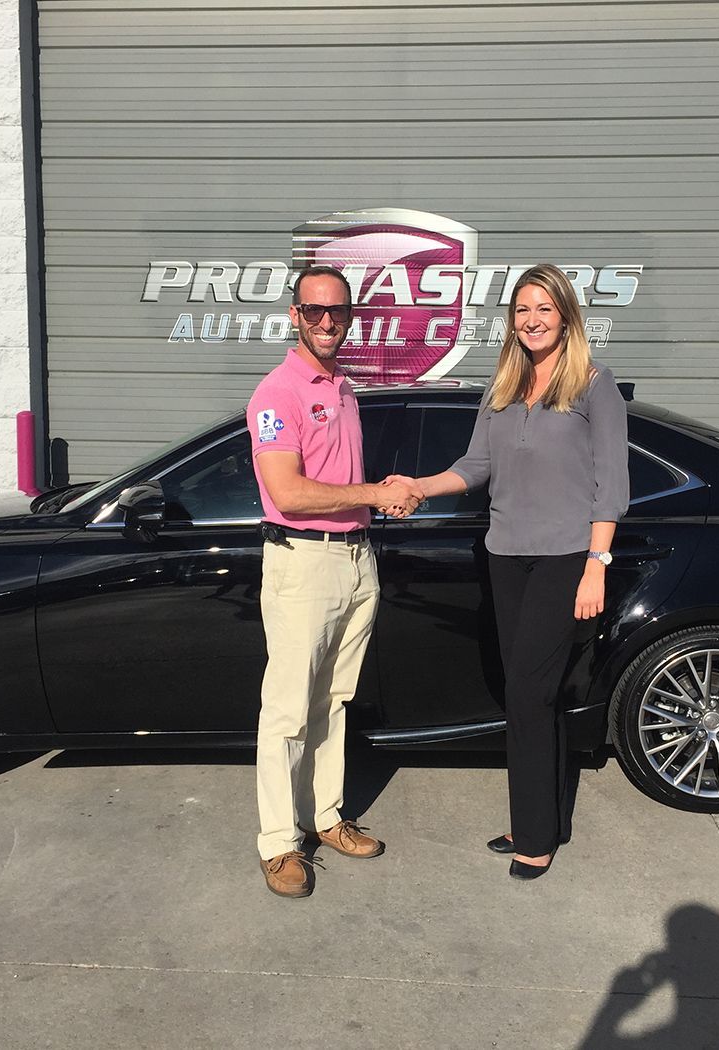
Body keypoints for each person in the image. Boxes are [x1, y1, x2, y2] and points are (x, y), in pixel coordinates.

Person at [388, 263, 629, 880]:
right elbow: (473, 467)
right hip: (506, 556)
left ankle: (535, 836)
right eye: (523, 310)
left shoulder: (593, 388)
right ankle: (539, 818)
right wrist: (419, 485)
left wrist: (596, 565)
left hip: (565, 558)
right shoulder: (501, 389)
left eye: (544, 309)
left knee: (527, 690)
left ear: (566, 317)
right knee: (531, 695)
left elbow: (611, 487)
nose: (533, 320)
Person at [246, 264, 423, 899]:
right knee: (289, 708)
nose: (327, 321)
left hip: (354, 559)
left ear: (350, 317)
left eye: (338, 311)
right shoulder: (277, 393)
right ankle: (278, 843)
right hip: (303, 562)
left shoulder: (343, 388)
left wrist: (382, 501)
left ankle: (324, 818)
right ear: (294, 315)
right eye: (314, 311)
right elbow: (288, 491)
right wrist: (376, 493)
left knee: (333, 702)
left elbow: (340, 484)